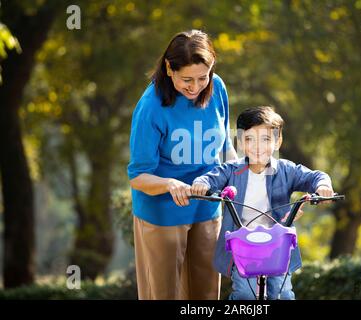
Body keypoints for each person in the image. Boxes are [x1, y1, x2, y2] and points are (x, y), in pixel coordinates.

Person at [127, 30, 237, 300]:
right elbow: (138, 176)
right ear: (169, 68)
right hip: (162, 213)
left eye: (203, 77)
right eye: (187, 79)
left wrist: (240, 175)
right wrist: (169, 184)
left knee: (206, 295)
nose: (195, 86)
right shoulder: (151, 106)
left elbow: (226, 146)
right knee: (165, 294)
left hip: (208, 207)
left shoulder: (217, 88)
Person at [191, 106, 334, 299]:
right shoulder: (231, 169)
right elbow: (210, 178)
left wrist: (323, 186)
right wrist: (201, 184)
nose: (258, 146)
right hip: (243, 247)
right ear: (241, 142)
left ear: (278, 141)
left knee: (283, 293)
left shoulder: (286, 170)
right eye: (250, 139)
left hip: (277, 247)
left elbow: (315, 176)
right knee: (245, 294)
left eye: (266, 139)